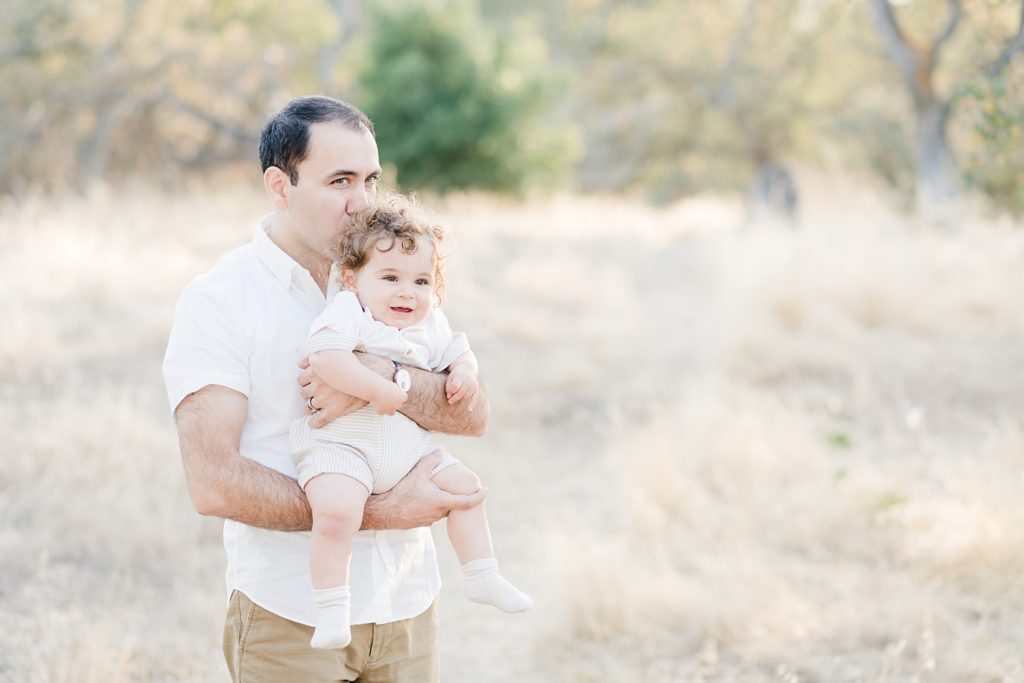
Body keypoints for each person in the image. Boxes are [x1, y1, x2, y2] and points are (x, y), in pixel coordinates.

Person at [163, 95, 489, 683]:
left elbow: (472, 415)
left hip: (406, 606)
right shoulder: (218, 300)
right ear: (279, 185)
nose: (362, 202)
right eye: (340, 180)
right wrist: (384, 513)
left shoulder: (392, 271)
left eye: (371, 179)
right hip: (291, 618)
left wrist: (380, 381)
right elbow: (212, 482)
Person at [292, 193, 531, 650]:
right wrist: (379, 388)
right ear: (351, 278)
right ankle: (332, 609)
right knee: (337, 512)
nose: (408, 292)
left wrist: (463, 371)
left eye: (422, 280)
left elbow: (458, 350)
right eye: (390, 277)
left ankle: (482, 573)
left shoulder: (430, 323)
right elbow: (323, 357)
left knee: (466, 488)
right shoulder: (350, 311)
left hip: (407, 453)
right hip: (343, 447)